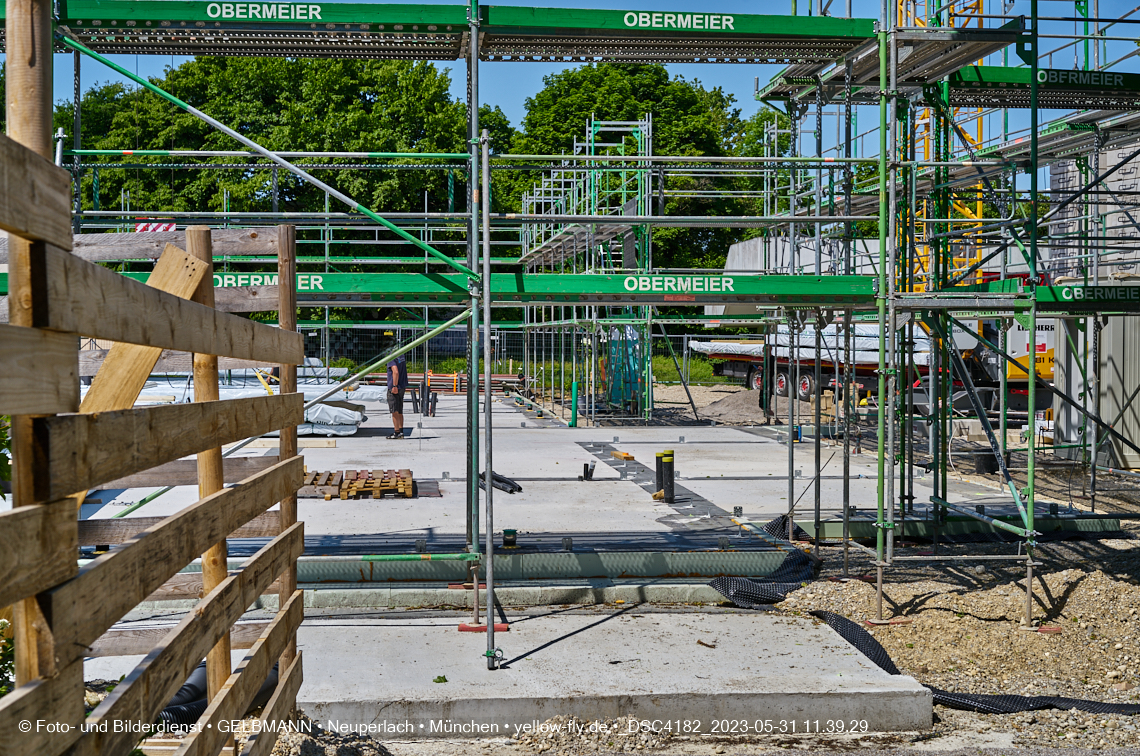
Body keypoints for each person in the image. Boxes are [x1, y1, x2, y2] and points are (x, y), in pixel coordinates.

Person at [386, 354, 409, 439]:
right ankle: (401, 431)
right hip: (402, 386)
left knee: (394, 410)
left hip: (395, 387)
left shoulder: (390, 357)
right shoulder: (401, 355)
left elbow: (395, 371)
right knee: (399, 410)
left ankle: (397, 432)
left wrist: (394, 386)